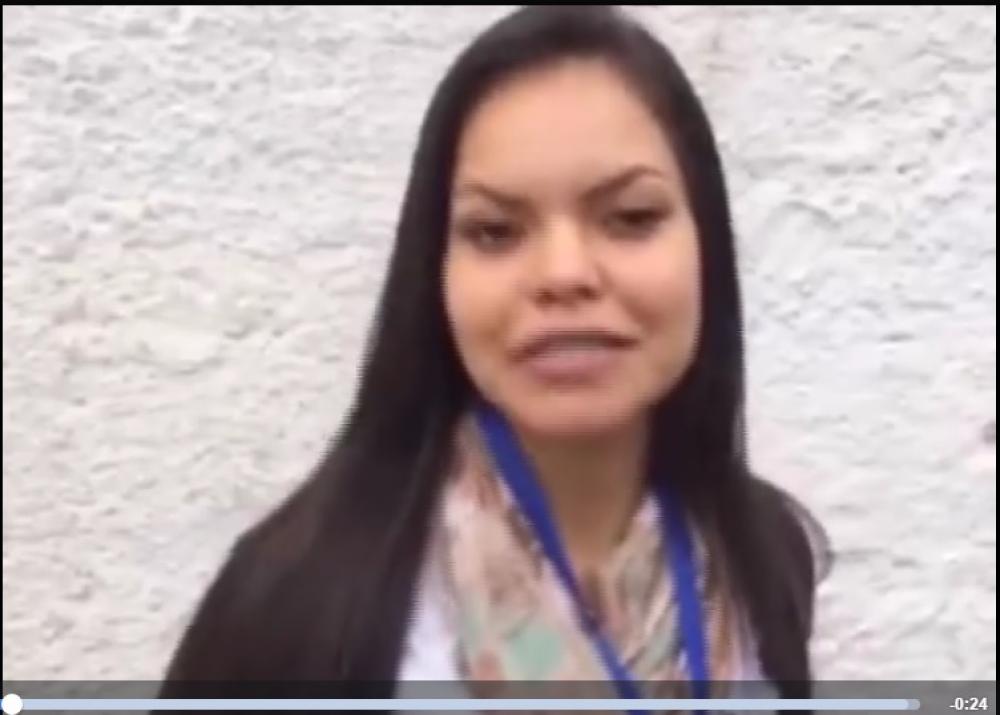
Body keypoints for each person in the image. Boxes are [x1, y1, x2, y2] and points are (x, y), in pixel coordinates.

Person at [159, 4, 830, 705]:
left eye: (631, 218)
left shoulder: (760, 554)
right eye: (495, 231)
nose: (563, 273)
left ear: (706, 247)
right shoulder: (298, 610)